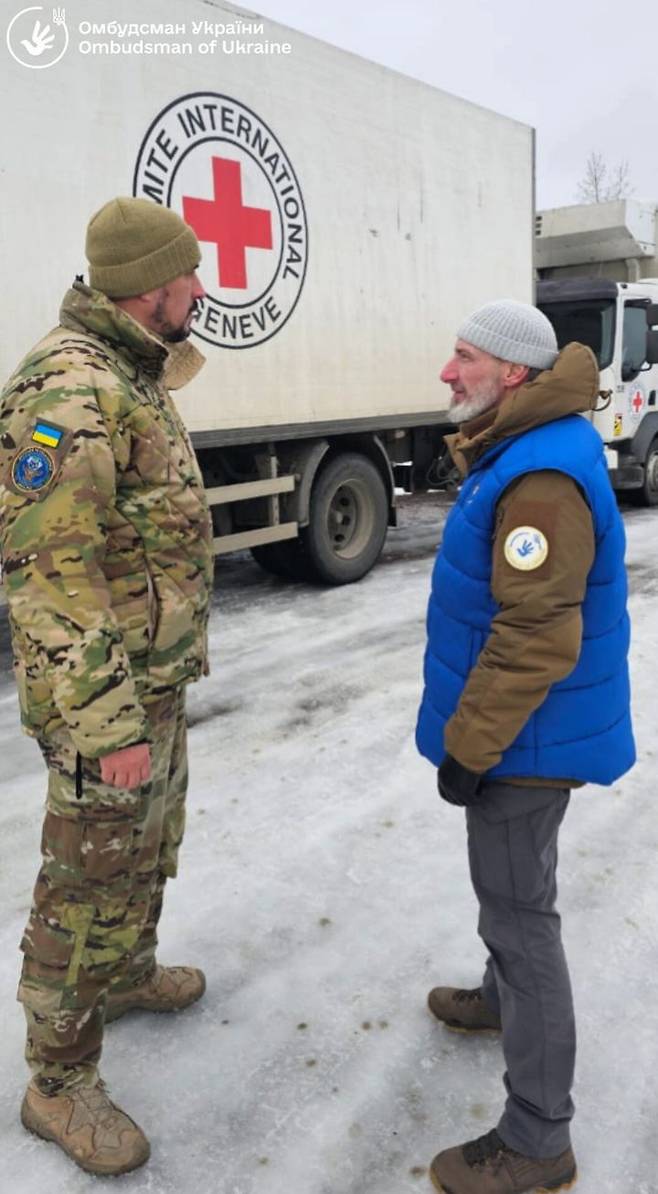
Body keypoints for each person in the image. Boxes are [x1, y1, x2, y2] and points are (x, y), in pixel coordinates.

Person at [0, 197, 214, 1175]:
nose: (201, 291)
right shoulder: (69, 387)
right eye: (190, 276)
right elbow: (52, 573)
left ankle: (123, 975)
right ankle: (58, 1080)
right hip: (105, 704)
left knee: (144, 845)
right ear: (150, 284)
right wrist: (106, 725)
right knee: (83, 883)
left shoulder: (131, 373)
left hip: (148, 684)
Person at [415, 300, 635, 1194]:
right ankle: (502, 999)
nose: (446, 372)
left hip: (522, 741)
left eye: (462, 356)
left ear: (510, 373)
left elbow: (539, 635)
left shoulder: (539, 478)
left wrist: (472, 744)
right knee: (517, 893)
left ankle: (539, 1140)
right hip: (527, 731)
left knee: (520, 917)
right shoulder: (523, 444)